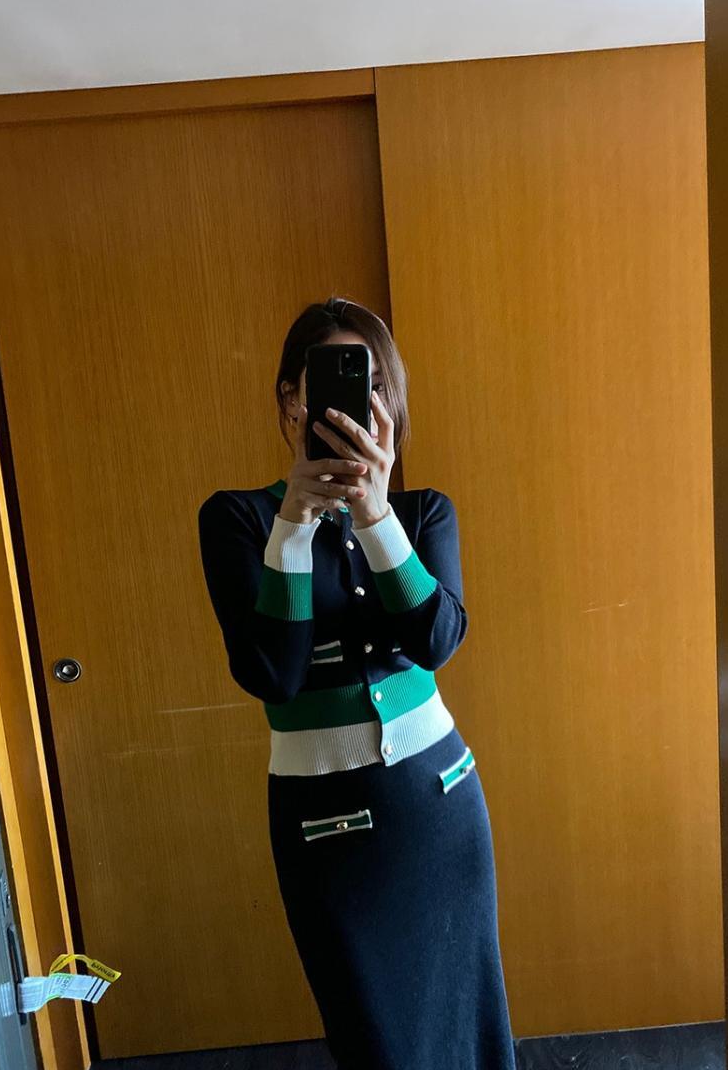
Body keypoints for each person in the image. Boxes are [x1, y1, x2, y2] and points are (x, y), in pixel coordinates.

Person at [199, 293, 516, 1070]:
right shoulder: (238, 520)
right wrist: (294, 526)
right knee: (373, 1037)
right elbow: (272, 673)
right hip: (322, 824)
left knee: (470, 1020)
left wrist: (375, 516)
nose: (358, 402)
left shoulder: (422, 511)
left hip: (439, 805)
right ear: (291, 400)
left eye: (374, 384)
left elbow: (435, 640)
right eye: (336, 383)